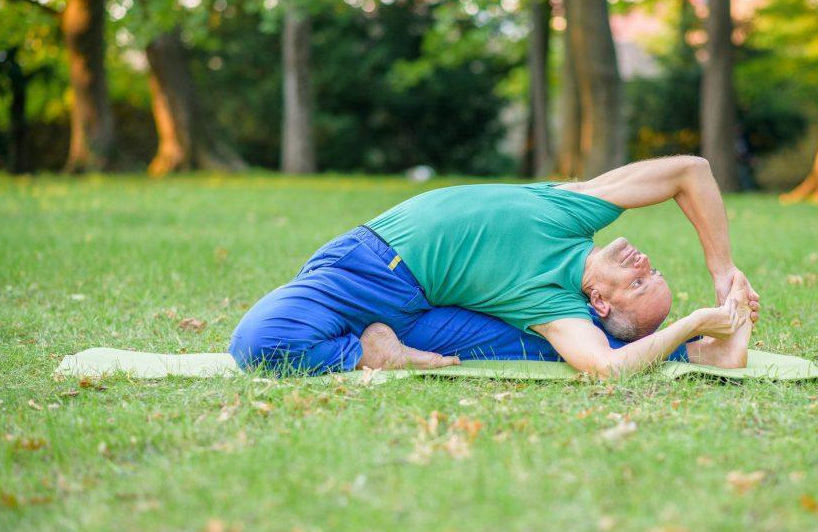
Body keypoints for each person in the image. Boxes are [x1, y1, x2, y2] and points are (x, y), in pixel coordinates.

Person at [229, 156, 760, 378]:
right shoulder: (575, 211)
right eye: (653, 270)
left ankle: (705, 350)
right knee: (258, 342)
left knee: (564, 354)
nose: (642, 260)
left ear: (599, 302)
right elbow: (692, 172)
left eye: (639, 281)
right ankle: (364, 347)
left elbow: (607, 369)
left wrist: (691, 322)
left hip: (424, 318)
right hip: (369, 267)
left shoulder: (557, 309)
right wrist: (723, 272)